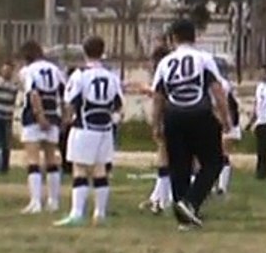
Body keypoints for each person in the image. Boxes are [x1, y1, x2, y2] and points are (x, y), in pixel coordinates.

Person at [150, 19, 231, 229]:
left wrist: (155, 124)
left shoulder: (165, 62)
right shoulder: (204, 58)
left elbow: (158, 96)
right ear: (194, 37)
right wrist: (225, 118)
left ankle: (183, 217)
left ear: (173, 38)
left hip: (174, 116)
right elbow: (217, 90)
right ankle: (191, 202)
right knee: (214, 161)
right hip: (200, 114)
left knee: (179, 166)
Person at [54, 36, 124, 227]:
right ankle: (99, 213)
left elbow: (71, 103)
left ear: (84, 52)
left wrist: (66, 123)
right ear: (103, 51)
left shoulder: (80, 75)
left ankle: (77, 213)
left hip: (84, 128)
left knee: (80, 169)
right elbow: (118, 105)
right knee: (100, 169)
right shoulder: (112, 76)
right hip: (105, 129)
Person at [18, 40, 66, 214]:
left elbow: (33, 93)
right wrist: (64, 117)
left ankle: (35, 202)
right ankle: (53, 201)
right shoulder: (55, 69)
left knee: (33, 159)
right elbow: (63, 93)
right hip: (53, 114)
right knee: (51, 158)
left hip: (34, 117)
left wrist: (39, 115)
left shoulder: (28, 71)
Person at [141, 43, 174, 214]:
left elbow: (158, 99)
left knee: (164, 157)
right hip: (184, 114)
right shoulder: (176, 69)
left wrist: (155, 124)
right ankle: (159, 197)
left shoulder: (162, 71)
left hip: (167, 116)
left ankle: (162, 200)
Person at [214, 59, 241, 197]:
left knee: (222, 153)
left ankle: (222, 186)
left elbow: (224, 105)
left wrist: (225, 123)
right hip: (220, 121)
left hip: (226, 121)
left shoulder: (222, 84)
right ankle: (216, 184)